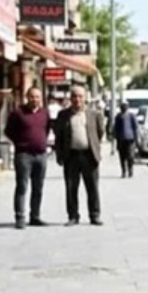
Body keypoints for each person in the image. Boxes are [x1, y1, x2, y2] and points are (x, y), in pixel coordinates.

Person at [53, 84, 106, 226]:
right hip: (71, 157)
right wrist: (59, 155)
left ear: (85, 98)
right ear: (70, 98)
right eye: (74, 96)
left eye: (80, 96)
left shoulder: (94, 114)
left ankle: (94, 215)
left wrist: (94, 148)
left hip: (89, 156)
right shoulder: (63, 115)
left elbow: (100, 133)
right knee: (71, 188)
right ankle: (73, 216)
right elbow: (59, 136)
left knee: (93, 187)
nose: (77, 99)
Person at [4, 86, 52, 228]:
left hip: (41, 155)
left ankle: (35, 216)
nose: (34, 99)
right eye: (32, 96)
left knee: (38, 187)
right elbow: (8, 131)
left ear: (41, 98)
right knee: (22, 186)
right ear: (27, 97)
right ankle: (20, 217)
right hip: (23, 155)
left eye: (37, 97)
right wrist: (21, 142)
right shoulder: (18, 113)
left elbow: (47, 129)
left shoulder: (45, 113)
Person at [112, 102, 141, 178]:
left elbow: (135, 128)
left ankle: (130, 169)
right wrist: (115, 137)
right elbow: (116, 128)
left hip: (130, 140)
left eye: (125, 106)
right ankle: (123, 171)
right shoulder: (118, 116)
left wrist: (136, 139)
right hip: (121, 140)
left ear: (127, 107)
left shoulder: (131, 116)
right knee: (122, 157)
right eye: (122, 106)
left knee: (130, 156)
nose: (123, 108)